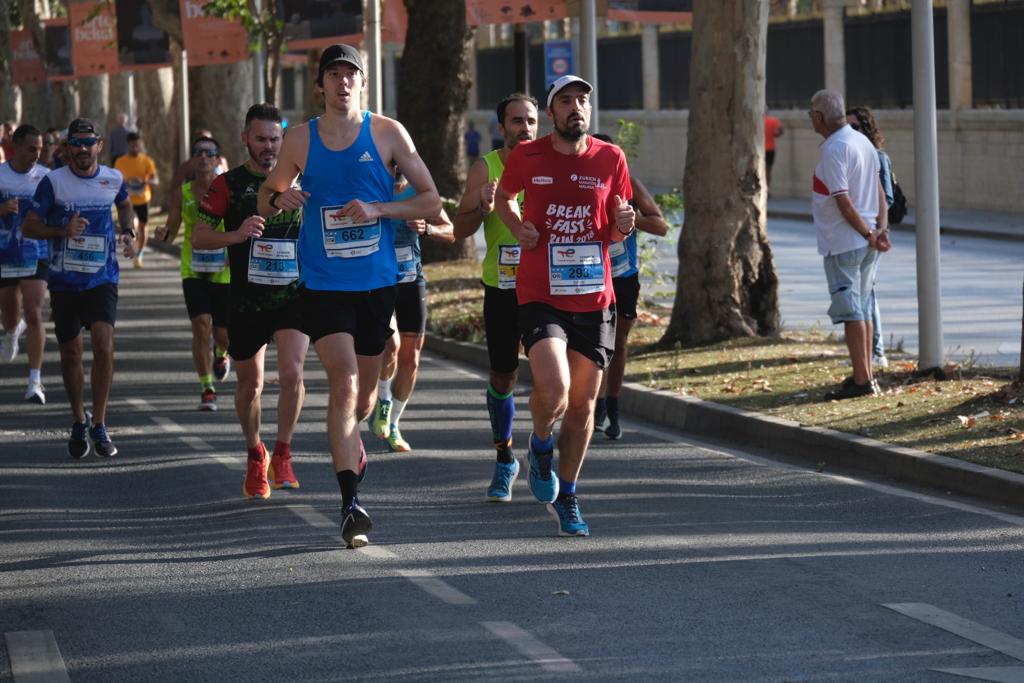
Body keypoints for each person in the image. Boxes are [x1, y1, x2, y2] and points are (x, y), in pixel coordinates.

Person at [258, 44, 441, 547]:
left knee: (360, 398)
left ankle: (351, 445)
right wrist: (281, 197)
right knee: (342, 384)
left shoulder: (387, 133)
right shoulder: (300, 139)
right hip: (322, 283)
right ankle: (350, 504)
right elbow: (266, 196)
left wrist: (380, 208)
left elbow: (431, 199)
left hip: (378, 283)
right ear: (321, 84)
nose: (342, 83)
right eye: (333, 75)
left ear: (363, 82)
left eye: (350, 75)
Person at [495, 75, 635, 537]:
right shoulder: (526, 156)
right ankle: (538, 445)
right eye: (567, 101)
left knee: (582, 406)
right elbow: (504, 197)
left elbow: (614, 226)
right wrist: (519, 228)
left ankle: (569, 494)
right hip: (540, 294)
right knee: (553, 389)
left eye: (583, 101)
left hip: (595, 297)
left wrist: (623, 226)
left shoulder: (610, 157)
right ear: (552, 113)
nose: (577, 107)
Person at [190, 104, 309, 500]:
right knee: (250, 384)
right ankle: (255, 453)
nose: (269, 147)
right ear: (245, 139)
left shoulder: (304, 179)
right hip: (246, 300)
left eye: (275, 139)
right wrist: (236, 235)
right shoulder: (228, 184)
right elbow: (199, 237)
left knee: (292, 374)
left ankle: (283, 452)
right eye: (260, 139)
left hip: (293, 296)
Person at [21, 118, 136, 458]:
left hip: (102, 278)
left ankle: (99, 422)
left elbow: (125, 202)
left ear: (99, 145)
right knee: (71, 352)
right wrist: (62, 230)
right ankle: (77, 419)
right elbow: (30, 226)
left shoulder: (113, 177)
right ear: (68, 147)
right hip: (65, 280)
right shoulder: (53, 182)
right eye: (76, 143)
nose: (83, 149)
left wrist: (127, 231)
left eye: (89, 143)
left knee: (103, 344)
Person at [453, 92, 539, 502]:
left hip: (544, 287)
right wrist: (482, 207)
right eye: (517, 121)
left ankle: (543, 453)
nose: (525, 128)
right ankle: (505, 458)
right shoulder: (484, 168)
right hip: (502, 287)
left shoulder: (549, 164)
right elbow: (460, 230)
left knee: (551, 377)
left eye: (531, 121)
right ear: (501, 126)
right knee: (503, 376)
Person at [808, 90, 888, 401]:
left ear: (820, 117)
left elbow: (843, 201)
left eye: (811, 114)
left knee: (852, 312)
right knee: (863, 308)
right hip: (864, 239)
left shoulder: (835, 149)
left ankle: (861, 379)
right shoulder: (861, 141)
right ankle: (865, 376)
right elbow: (880, 190)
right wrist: (880, 229)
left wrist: (870, 233)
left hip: (846, 243)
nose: (810, 120)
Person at [590, 133, 669, 441]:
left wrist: (633, 217)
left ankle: (613, 406)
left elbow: (660, 225)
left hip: (623, 276)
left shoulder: (630, 185)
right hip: (591, 274)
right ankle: (593, 404)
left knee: (618, 343)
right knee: (595, 343)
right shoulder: (578, 185)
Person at [369, 171, 455, 452]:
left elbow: (450, 230)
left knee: (412, 359)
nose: (394, 167)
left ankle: (393, 423)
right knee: (390, 345)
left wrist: (426, 229)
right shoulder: (370, 186)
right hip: (378, 280)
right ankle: (382, 399)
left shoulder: (419, 192)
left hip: (410, 278)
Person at [155, 136, 231, 411]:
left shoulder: (227, 190)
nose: (203, 158)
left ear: (217, 160)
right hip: (193, 270)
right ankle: (207, 388)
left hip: (224, 271)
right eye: (198, 153)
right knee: (200, 327)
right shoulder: (183, 193)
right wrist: (162, 234)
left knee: (223, 334)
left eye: (209, 153)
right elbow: (171, 230)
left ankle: (221, 354)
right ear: (192, 159)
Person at [0, 125, 50, 403]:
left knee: (33, 312)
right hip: (4, 253)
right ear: (15, 146)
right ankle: (11, 330)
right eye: (32, 148)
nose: (36, 154)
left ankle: (35, 381)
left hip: (36, 251)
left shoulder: (45, 177)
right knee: (9, 313)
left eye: (40, 149)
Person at [846, 105, 893, 370]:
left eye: (856, 127)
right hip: (856, 232)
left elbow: (885, 197)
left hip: (873, 233)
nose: (851, 132)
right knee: (860, 293)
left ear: (867, 129)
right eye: (847, 127)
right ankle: (868, 352)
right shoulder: (850, 156)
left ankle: (876, 351)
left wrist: (877, 229)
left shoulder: (877, 157)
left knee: (867, 293)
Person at [114, 131, 159, 268]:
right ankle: (133, 245)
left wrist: (145, 181)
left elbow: (155, 180)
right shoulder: (120, 161)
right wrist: (126, 182)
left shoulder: (147, 161)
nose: (135, 147)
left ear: (140, 145)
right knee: (133, 224)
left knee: (143, 227)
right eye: (132, 145)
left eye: (137, 145)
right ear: (128, 145)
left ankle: (139, 254)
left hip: (143, 198)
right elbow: (116, 180)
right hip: (127, 201)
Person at [764, 111, 784, 191]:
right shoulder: (773, 120)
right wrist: (774, 134)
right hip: (770, 149)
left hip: (762, 149)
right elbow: (781, 131)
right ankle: (767, 189)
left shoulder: (759, 120)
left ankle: (763, 189)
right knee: (768, 171)